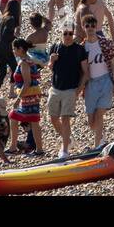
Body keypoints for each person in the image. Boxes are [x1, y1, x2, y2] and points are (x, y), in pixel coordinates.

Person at [47, 23, 87, 158]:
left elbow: (85, 72)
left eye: (70, 33)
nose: (68, 36)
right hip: (55, 88)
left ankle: (64, 150)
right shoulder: (55, 47)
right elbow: (50, 68)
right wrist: (51, 61)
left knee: (65, 118)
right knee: (53, 118)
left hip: (71, 89)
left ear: (74, 33)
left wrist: (80, 89)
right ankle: (68, 139)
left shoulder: (79, 50)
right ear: (61, 34)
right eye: (65, 33)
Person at [77, 15, 114, 148]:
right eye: (87, 26)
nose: (90, 28)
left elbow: (113, 64)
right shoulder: (82, 48)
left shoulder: (105, 43)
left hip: (105, 81)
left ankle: (97, 146)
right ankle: (100, 136)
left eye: (92, 26)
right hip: (90, 84)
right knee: (91, 121)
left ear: (96, 26)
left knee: (100, 113)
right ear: (83, 27)